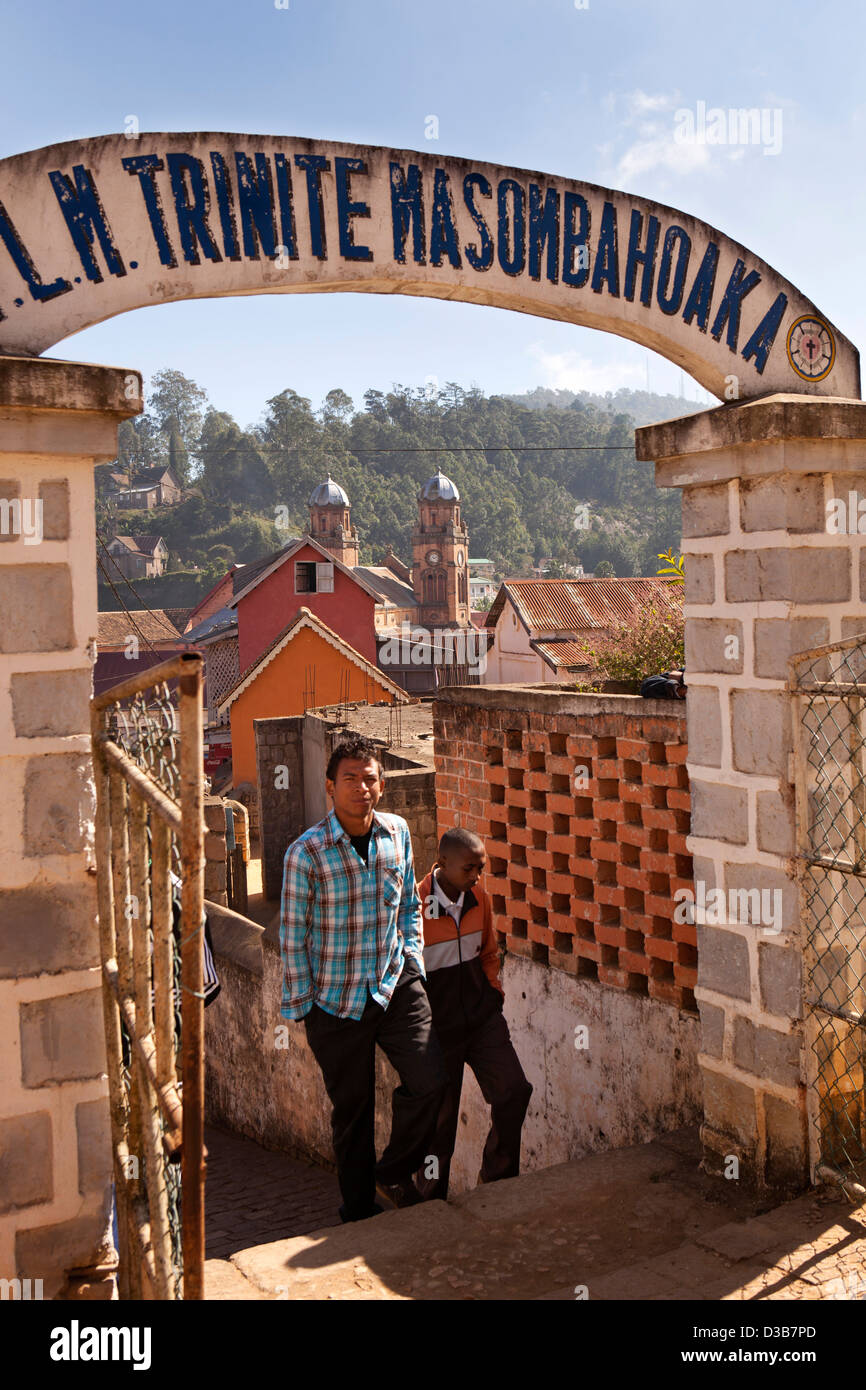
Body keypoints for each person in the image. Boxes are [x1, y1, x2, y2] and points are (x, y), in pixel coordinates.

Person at [279, 734, 448, 1223]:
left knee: (430, 1080)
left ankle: (392, 1170)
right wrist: (305, 1008)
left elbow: (410, 907)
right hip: (334, 1002)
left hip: (395, 985)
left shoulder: (397, 833)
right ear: (330, 787)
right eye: (349, 779)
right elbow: (293, 938)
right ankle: (357, 1209)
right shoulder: (305, 854)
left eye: (369, 778)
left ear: (383, 784)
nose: (361, 787)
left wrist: (412, 959)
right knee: (352, 1112)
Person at [415, 827, 532, 1201]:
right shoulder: (413, 906)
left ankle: (496, 1185)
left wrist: (493, 994)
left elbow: (488, 953)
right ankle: (426, 1205)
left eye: (480, 868)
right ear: (442, 864)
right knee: (439, 1125)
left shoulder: (479, 898)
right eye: (469, 868)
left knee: (514, 1090)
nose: (476, 877)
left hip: (481, 1021)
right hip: (437, 1032)